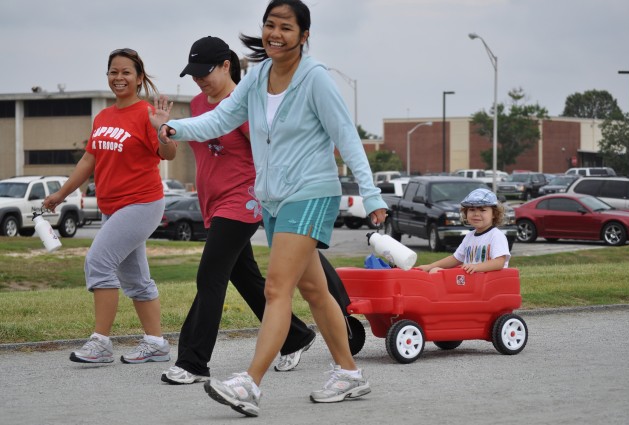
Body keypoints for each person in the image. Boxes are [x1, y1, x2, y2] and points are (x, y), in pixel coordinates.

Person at [149, 0, 387, 417]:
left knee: (277, 288)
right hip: (274, 197)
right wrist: (175, 128)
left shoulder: (315, 79)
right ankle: (349, 374)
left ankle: (250, 383)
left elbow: (347, 137)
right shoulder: (257, 77)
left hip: (311, 193)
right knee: (313, 290)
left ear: (304, 35)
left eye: (286, 27)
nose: (275, 33)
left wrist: (372, 196)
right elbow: (220, 119)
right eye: (269, 25)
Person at [161, 36, 316, 385]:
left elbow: (271, 152)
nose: (199, 79)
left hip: (243, 201)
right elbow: (175, 151)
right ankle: (295, 336)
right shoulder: (199, 104)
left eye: (206, 71)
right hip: (213, 203)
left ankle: (192, 362)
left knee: (210, 276)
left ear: (227, 65)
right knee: (243, 276)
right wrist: (164, 132)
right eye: (194, 73)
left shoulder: (245, 104)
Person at [43, 48, 177, 364]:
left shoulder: (146, 114)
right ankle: (156, 343)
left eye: (126, 72)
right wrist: (61, 194)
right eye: (113, 72)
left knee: (98, 262)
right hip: (112, 206)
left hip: (142, 203)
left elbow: (169, 154)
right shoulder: (103, 116)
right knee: (135, 279)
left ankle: (101, 343)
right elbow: (90, 159)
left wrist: (161, 131)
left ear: (139, 78)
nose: (119, 78)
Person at [417, 188, 511, 274]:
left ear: (494, 214)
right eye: (472, 209)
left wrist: (476, 267)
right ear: (466, 213)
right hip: (472, 283)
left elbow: (499, 262)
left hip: (491, 284)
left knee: (436, 273)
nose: (476, 214)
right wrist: (430, 266)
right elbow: (456, 258)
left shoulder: (496, 235)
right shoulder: (469, 236)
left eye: (482, 210)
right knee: (435, 271)